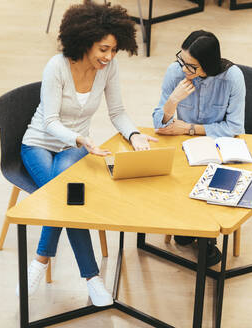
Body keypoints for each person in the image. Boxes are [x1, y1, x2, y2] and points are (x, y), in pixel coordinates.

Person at [19, 0, 157, 306]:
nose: (108, 57)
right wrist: (82, 139)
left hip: (74, 148)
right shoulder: (57, 67)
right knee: (67, 196)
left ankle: (40, 261)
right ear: (84, 41)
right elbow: (51, 122)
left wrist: (134, 134)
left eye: (113, 50)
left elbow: (117, 111)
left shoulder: (109, 68)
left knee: (64, 196)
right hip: (40, 142)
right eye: (103, 49)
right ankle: (91, 278)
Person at [152, 30, 246, 266]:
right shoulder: (176, 71)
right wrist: (172, 102)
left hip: (217, 146)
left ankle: (206, 238)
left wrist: (190, 128)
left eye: (191, 66)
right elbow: (157, 122)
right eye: (182, 60)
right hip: (183, 147)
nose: (184, 69)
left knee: (212, 178)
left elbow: (233, 127)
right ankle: (187, 224)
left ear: (208, 64)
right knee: (174, 175)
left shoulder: (232, 77)